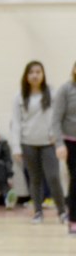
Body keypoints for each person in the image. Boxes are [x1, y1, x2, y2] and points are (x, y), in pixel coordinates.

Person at [10, 61, 67, 225]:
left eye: (38, 72)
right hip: (28, 143)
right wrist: (16, 146)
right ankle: (38, 212)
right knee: (34, 179)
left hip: (49, 143)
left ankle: (62, 212)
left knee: (54, 177)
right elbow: (16, 122)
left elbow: (58, 118)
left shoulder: (53, 93)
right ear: (26, 76)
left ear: (43, 75)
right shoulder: (19, 96)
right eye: (31, 72)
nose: (35, 75)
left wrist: (56, 136)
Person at [51, 61, 76, 235]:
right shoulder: (66, 90)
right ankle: (73, 219)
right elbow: (55, 119)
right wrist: (59, 143)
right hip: (71, 142)